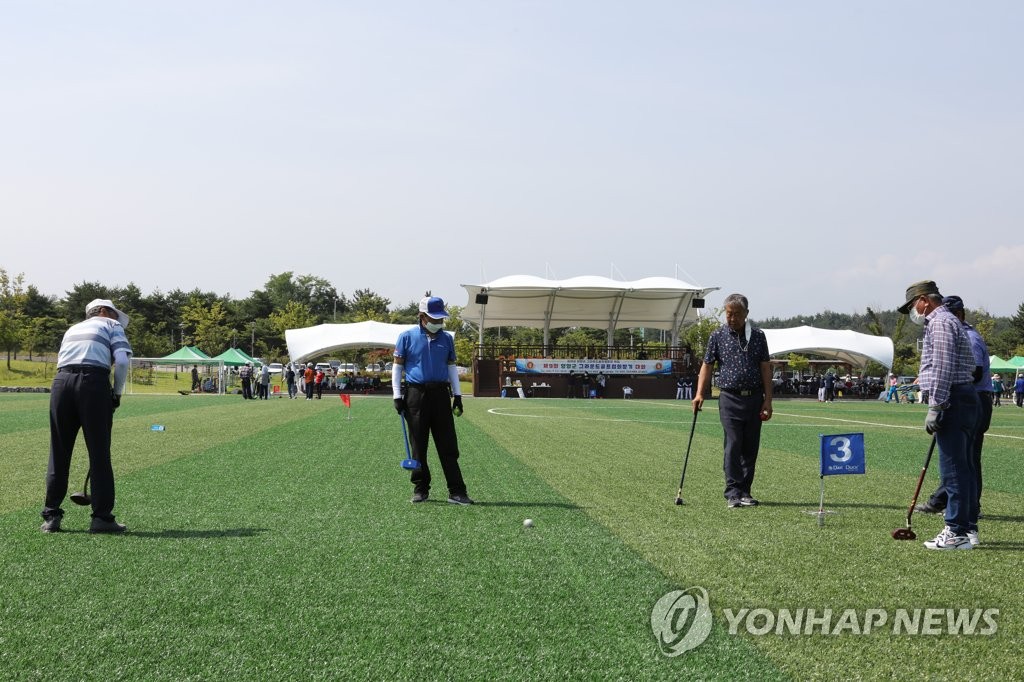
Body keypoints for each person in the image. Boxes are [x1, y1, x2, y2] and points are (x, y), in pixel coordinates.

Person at [897, 280, 979, 550]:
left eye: (912, 305)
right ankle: (965, 528)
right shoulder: (949, 321)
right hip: (963, 397)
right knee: (963, 467)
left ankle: (955, 531)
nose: (913, 311)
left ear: (923, 300)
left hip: (953, 398)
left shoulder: (940, 322)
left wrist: (937, 405)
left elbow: (942, 366)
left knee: (953, 470)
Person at [42, 298, 133, 534]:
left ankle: (51, 516)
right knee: (99, 454)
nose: (116, 320)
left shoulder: (72, 329)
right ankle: (101, 518)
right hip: (93, 383)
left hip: (61, 383)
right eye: (114, 314)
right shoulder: (112, 326)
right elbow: (121, 361)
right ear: (103, 311)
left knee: (59, 451)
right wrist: (116, 393)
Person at [916, 295, 992, 529]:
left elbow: (959, 370)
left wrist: (936, 404)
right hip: (966, 397)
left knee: (959, 464)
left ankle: (959, 525)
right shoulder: (953, 326)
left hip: (965, 397)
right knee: (962, 462)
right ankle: (963, 519)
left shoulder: (953, 329)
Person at [692, 293, 773, 508]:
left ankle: (745, 491)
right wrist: (700, 393)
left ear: (746, 314)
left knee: (750, 446)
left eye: (737, 314)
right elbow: (707, 365)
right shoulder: (717, 336)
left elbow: (765, 367)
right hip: (728, 398)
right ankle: (733, 492)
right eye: (729, 314)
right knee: (733, 443)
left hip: (754, 398)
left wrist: (768, 399)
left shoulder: (758, 336)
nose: (732, 318)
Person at [392, 295, 472, 505]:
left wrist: (457, 396)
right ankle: (421, 488)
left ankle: (457, 491)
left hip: (440, 395)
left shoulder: (446, 338)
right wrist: (397, 395)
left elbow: (451, 368)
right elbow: (397, 367)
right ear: (422, 317)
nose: (438, 323)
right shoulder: (406, 337)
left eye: (440, 319)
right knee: (419, 445)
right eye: (434, 319)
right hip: (415, 395)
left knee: (448, 445)